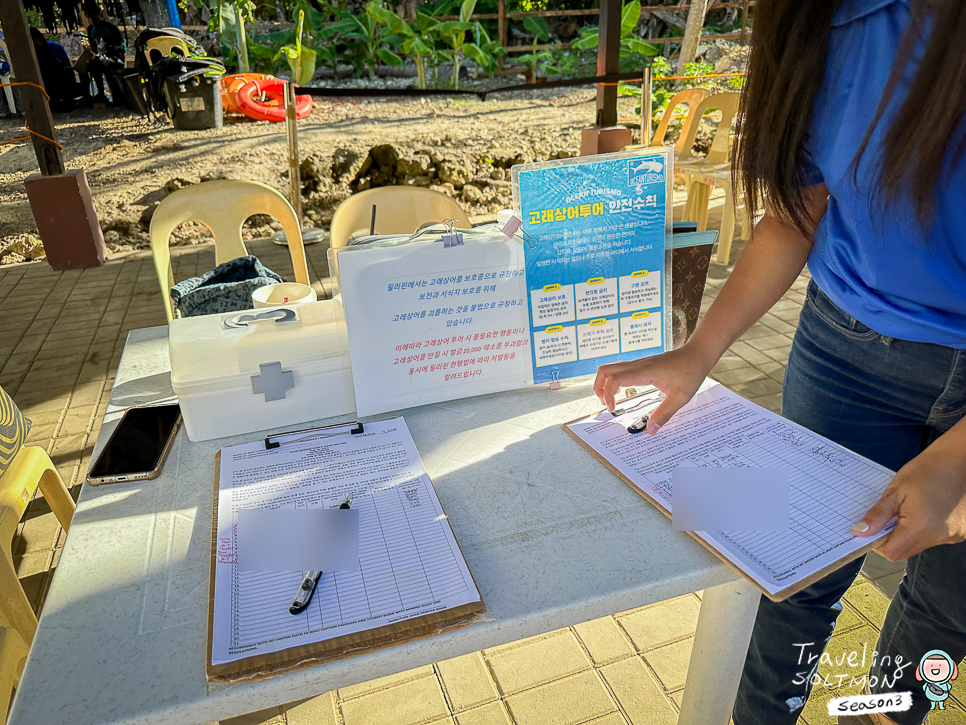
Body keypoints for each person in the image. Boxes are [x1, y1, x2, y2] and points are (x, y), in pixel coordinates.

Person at [593, 1, 966, 724]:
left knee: (949, 607)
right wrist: (700, 351)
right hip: (846, 355)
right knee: (790, 578)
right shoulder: (823, 21)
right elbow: (796, 214)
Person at [83, 4, 125, 103]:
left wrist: (109, 48)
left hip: (114, 57)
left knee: (109, 69)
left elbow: (121, 46)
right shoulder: (91, 29)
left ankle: (118, 98)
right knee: (90, 66)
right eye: (89, 18)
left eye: (93, 17)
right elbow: (93, 47)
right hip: (100, 58)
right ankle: (99, 94)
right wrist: (92, 47)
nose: (92, 20)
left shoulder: (110, 28)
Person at [29, 27, 77, 111]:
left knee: (67, 70)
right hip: (43, 76)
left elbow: (66, 63)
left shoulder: (55, 47)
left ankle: (68, 98)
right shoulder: (31, 52)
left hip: (57, 73)